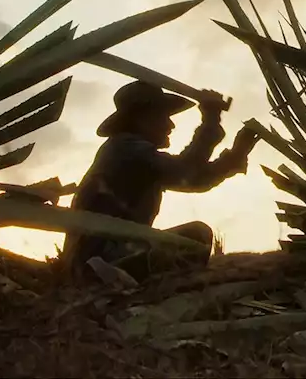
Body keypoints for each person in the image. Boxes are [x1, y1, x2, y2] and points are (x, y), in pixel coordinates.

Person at [63, 80, 260, 282]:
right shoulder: (126, 148)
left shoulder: (134, 154)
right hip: (99, 261)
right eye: (163, 116)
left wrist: (235, 156)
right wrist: (210, 122)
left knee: (194, 238)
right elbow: (184, 171)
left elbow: (194, 180)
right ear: (141, 119)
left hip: (107, 256)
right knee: (196, 237)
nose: (170, 125)